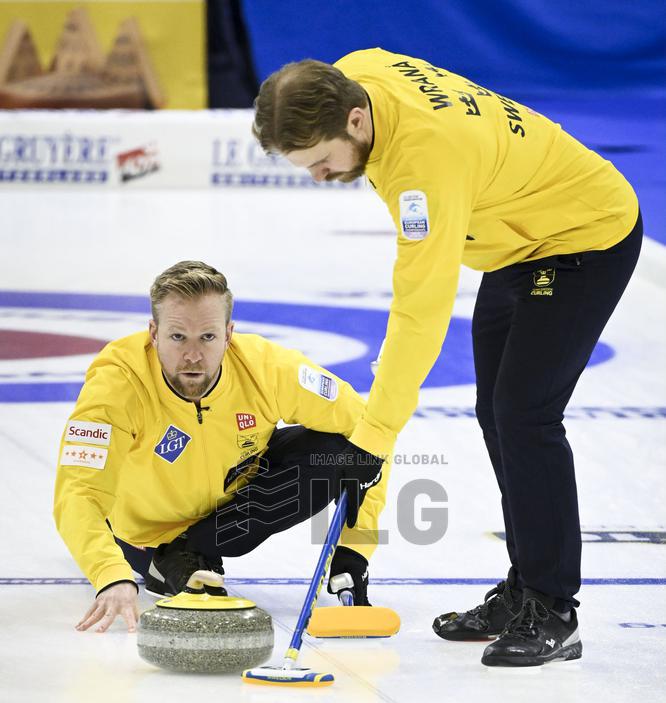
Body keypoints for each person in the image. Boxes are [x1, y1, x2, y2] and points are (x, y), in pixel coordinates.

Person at [252, 49, 642, 668]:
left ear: (355, 121)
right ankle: (525, 587)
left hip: (582, 236)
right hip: (515, 237)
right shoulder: (359, 71)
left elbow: (421, 311)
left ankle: (553, 607)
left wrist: (373, 436)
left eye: (321, 163)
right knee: (497, 412)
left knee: (525, 414)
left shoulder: (422, 165)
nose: (320, 178)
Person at [54, 260, 387, 633]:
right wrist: (111, 575)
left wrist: (355, 550)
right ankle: (170, 557)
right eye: (178, 337)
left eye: (207, 337)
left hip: (230, 518)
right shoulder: (117, 386)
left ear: (229, 335)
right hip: (146, 534)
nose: (193, 356)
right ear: (153, 332)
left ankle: (197, 547)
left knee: (342, 452)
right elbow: (78, 491)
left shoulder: (269, 369)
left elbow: (374, 433)